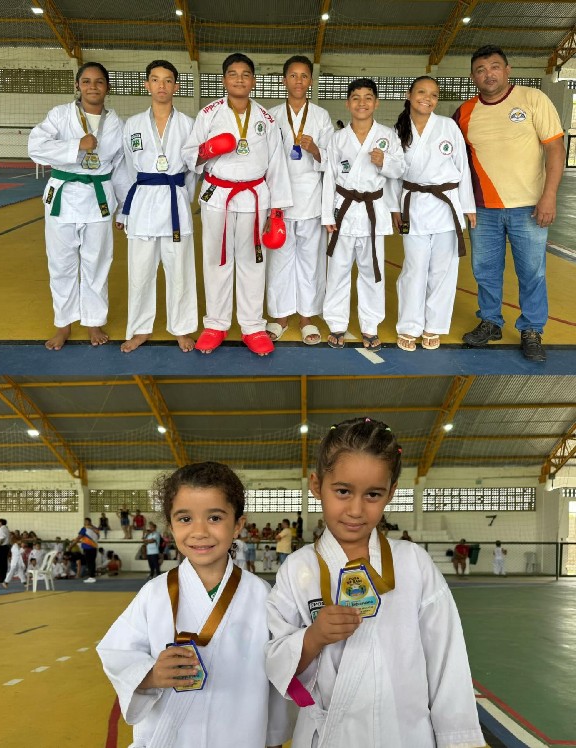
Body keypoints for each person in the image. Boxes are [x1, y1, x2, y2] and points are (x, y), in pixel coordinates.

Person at [265, 418, 484, 747]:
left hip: (404, 735)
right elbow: (275, 660)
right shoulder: (297, 569)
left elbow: (447, 662)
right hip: (327, 736)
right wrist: (313, 637)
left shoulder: (414, 564)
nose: (356, 510)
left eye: (373, 494)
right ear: (316, 485)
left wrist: (457, 740)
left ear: (391, 493)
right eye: (342, 491)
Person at [97, 461, 291, 747]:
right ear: (171, 526)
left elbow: (277, 672)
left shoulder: (261, 594)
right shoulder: (154, 593)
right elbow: (118, 653)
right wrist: (150, 675)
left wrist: (273, 738)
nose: (199, 531)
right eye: (185, 519)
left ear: (238, 525)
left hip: (239, 734)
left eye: (214, 517)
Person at [454, 45, 565, 362]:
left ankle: (531, 329)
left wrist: (549, 195)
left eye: (494, 67)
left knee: (532, 272)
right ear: (473, 76)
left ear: (507, 70)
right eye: (480, 69)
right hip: (483, 210)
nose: (488, 74)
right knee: (485, 271)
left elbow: (555, 149)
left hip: (529, 207)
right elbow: (450, 158)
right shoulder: (464, 113)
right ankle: (490, 321)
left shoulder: (532, 99)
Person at [183, 52, 293, 356]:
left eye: (245, 74)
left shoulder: (266, 119)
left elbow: (277, 164)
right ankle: (215, 324)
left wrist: (277, 211)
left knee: (253, 262)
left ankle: (253, 326)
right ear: (224, 80)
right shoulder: (209, 114)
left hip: (255, 198)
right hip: (217, 195)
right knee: (215, 260)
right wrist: (206, 150)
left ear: (253, 81)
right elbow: (189, 154)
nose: (239, 79)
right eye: (233, 74)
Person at [28, 62, 125, 351]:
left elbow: (121, 168)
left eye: (99, 81)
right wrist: (76, 145)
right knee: (61, 263)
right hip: (63, 197)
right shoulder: (60, 115)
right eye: (86, 81)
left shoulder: (116, 123)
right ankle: (64, 324)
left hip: (99, 199)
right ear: (77, 86)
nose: (92, 87)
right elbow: (35, 146)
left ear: (107, 87)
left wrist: (123, 208)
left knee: (97, 263)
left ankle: (94, 321)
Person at [117, 59, 198, 353]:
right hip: (142, 205)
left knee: (180, 272)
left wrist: (182, 198)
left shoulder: (189, 125)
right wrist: (125, 209)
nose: (161, 85)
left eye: (167, 80)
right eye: (155, 79)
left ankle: (182, 328)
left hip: (175, 203)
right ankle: (140, 329)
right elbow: (127, 170)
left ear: (176, 86)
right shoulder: (133, 125)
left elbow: (192, 172)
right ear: (146, 85)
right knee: (140, 273)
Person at [393, 76, 476, 352]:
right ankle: (409, 325)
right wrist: (394, 208)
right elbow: (393, 176)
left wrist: (468, 206)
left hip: (446, 207)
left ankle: (434, 326)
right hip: (412, 207)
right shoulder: (398, 131)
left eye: (433, 95)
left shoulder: (448, 126)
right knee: (414, 267)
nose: (427, 99)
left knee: (444, 269)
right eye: (421, 92)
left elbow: (463, 167)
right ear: (409, 94)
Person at [322, 79, 404, 349]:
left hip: (372, 212)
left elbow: (400, 170)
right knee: (338, 270)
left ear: (376, 103)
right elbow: (329, 178)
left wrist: (385, 162)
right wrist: (327, 215)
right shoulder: (338, 138)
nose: (362, 103)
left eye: (368, 97)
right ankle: (336, 323)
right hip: (343, 210)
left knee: (372, 271)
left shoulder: (388, 136)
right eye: (356, 98)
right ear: (348, 104)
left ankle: (370, 325)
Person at [266, 55, 334, 345]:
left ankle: (307, 317)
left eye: (304, 76)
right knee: (279, 260)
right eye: (293, 75)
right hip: (279, 198)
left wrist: (316, 150)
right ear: (284, 80)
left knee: (310, 261)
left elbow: (331, 159)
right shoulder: (270, 116)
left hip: (310, 198)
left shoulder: (321, 116)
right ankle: (280, 317)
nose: (298, 81)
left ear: (310, 81)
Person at [71, 517, 99, 583]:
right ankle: (92, 576)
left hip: (87, 548)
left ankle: (91, 577)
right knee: (92, 562)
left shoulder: (84, 529)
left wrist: (71, 546)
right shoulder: (96, 529)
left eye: (85, 521)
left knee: (89, 563)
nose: (84, 523)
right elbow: (98, 537)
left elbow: (79, 537)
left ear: (87, 522)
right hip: (94, 548)